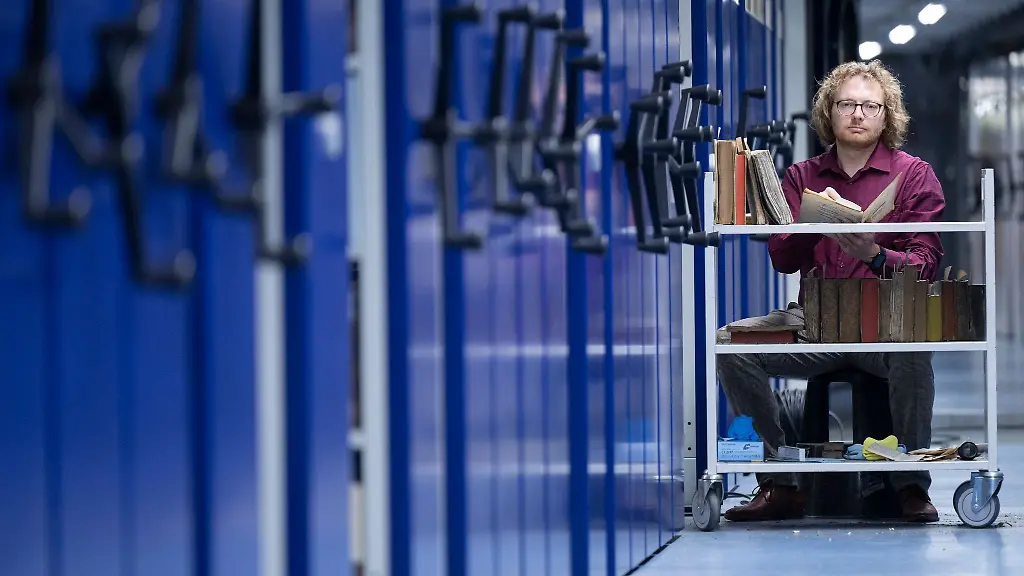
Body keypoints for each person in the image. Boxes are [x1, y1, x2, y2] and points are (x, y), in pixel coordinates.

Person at [719, 60, 944, 523]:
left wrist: (874, 253)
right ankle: (781, 481)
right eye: (847, 104)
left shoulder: (914, 175)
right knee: (730, 347)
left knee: (916, 354)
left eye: (869, 105)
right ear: (829, 111)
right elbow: (782, 258)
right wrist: (812, 224)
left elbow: (926, 264)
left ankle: (910, 488)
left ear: (887, 115)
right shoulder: (802, 176)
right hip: (815, 326)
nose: (858, 114)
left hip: (886, 326)